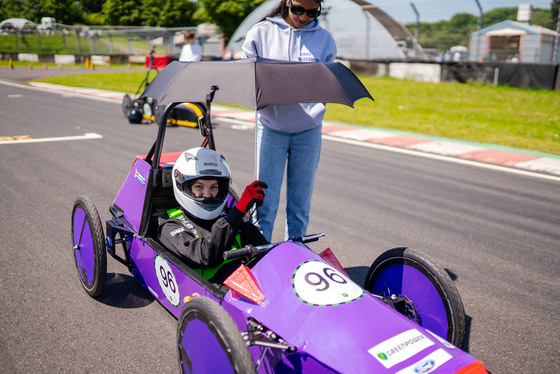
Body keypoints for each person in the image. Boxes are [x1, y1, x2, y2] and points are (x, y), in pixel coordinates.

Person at [241, 0, 336, 241]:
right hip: (271, 126)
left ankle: (297, 253)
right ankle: (260, 256)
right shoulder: (261, 33)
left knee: (300, 203)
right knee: (264, 203)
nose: (304, 17)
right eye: (298, 9)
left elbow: (330, 81)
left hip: (309, 130)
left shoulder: (324, 39)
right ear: (287, 2)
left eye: (312, 12)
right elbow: (243, 76)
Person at [158, 147, 268, 282]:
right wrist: (238, 211)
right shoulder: (171, 227)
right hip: (215, 293)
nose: (207, 194)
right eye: (199, 186)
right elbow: (205, 256)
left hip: (250, 282)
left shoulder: (230, 218)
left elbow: (267, 252)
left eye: (213, 187)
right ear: (184, 186)